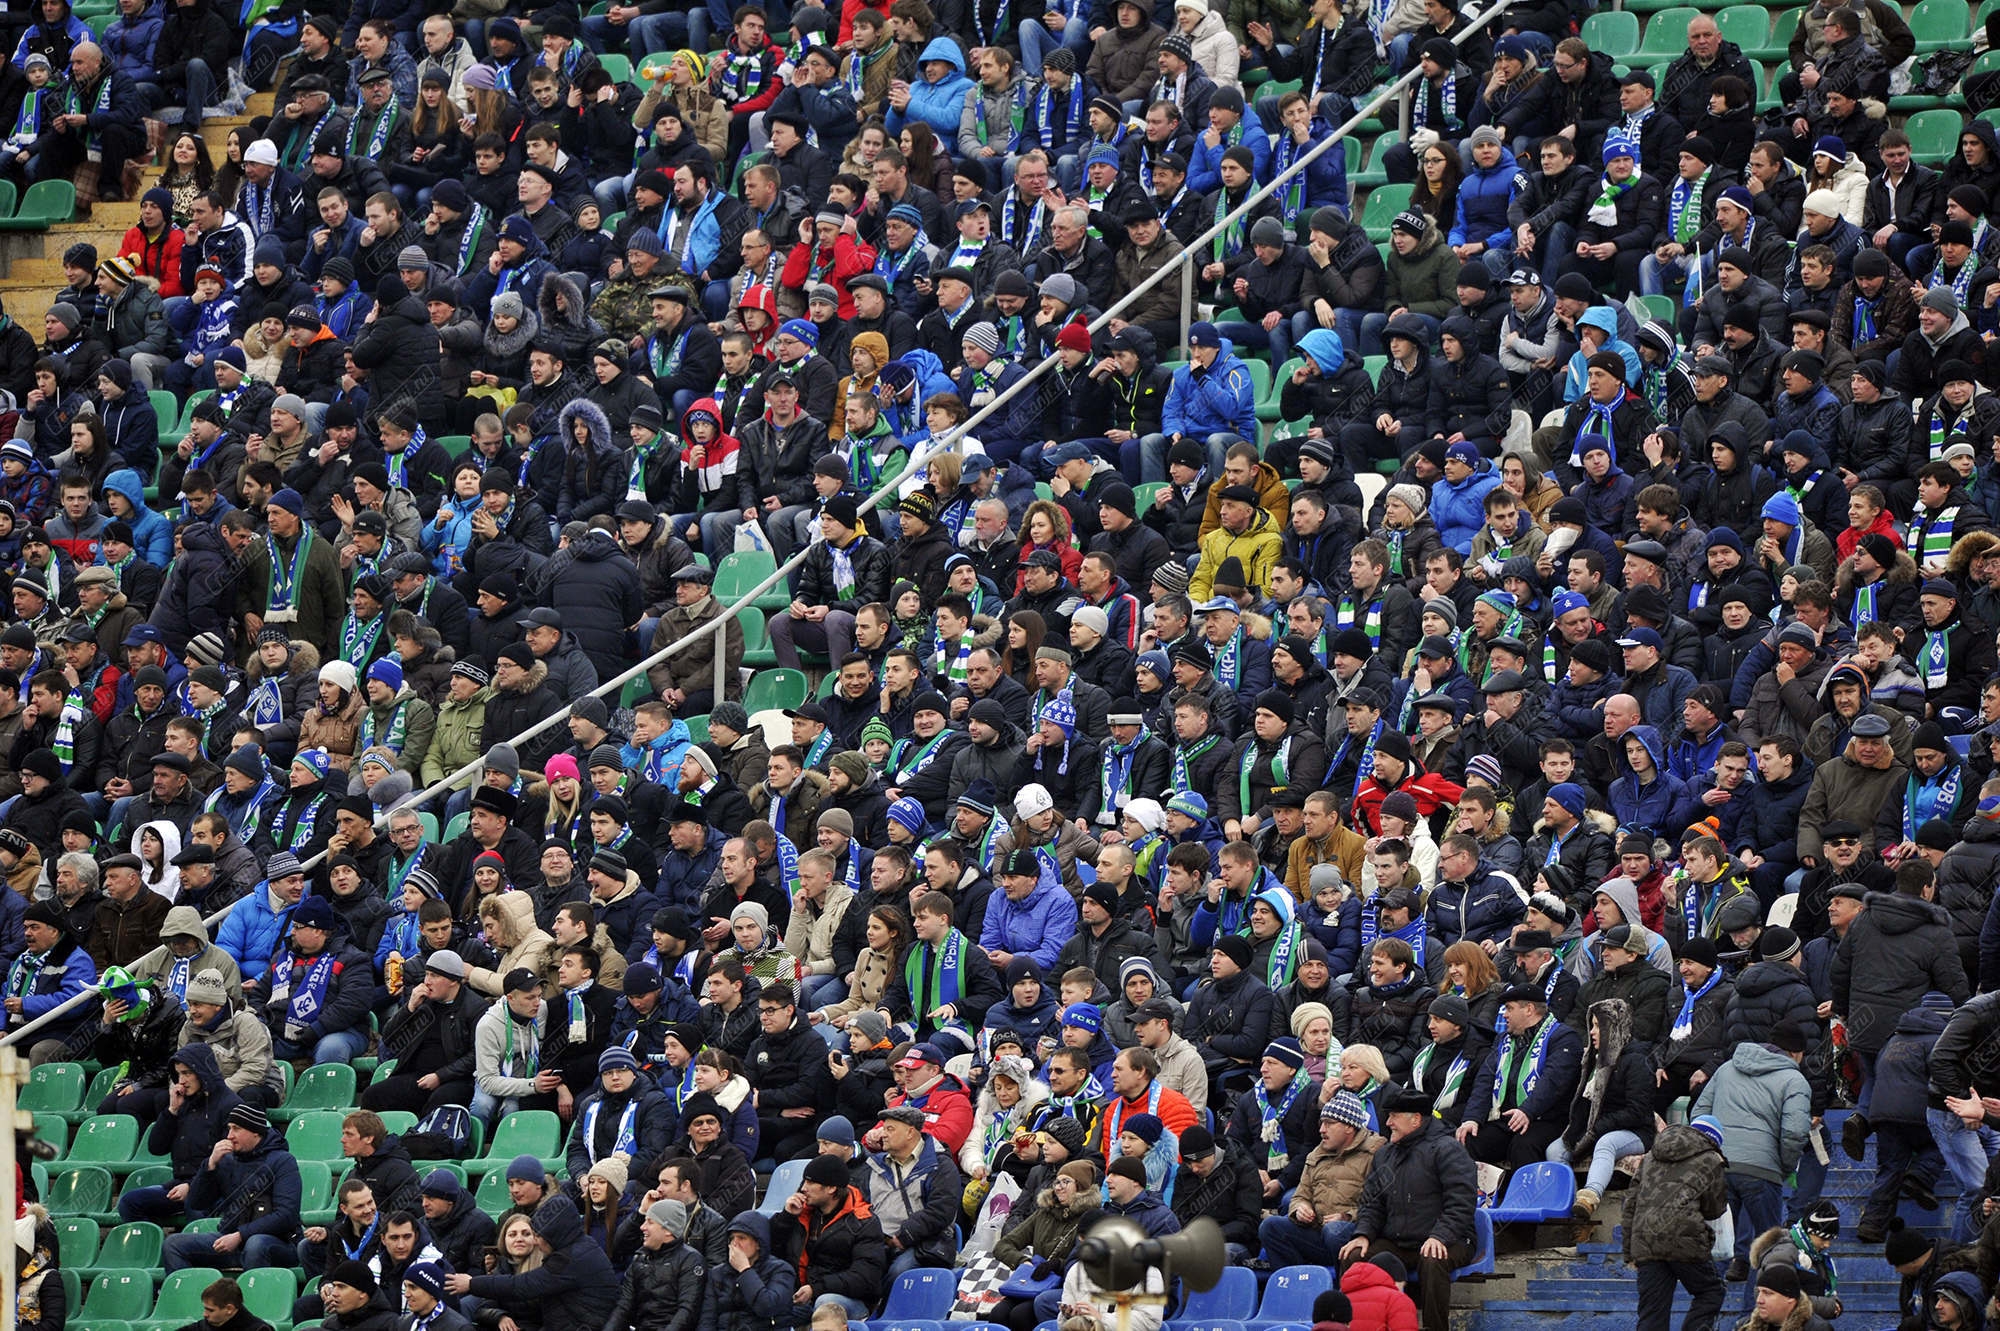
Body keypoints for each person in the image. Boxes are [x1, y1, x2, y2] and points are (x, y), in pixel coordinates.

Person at [1340, 1086, 1477, 1331]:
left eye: (1394, 1116)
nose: (1388, 1123)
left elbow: (1461, 1202)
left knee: (1433, 1258)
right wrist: (1363, 1234)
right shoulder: (1384, 1155)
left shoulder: (1448, 1149)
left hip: (1450, 1239)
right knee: (1354, 1255)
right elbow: (1372, 1202)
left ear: (1416, 1119)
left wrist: (1440, 1236)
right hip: (1399, 1241)